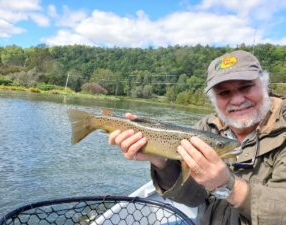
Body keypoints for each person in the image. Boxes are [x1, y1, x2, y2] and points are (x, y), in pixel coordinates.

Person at [108, 50, 286, 225]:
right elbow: (194, 198)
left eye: (246, 87)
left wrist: (229, 185)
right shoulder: (205, 128)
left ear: (264, 85)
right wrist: (161, 162)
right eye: (224, 93)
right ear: (214, 99)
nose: (237, 100)